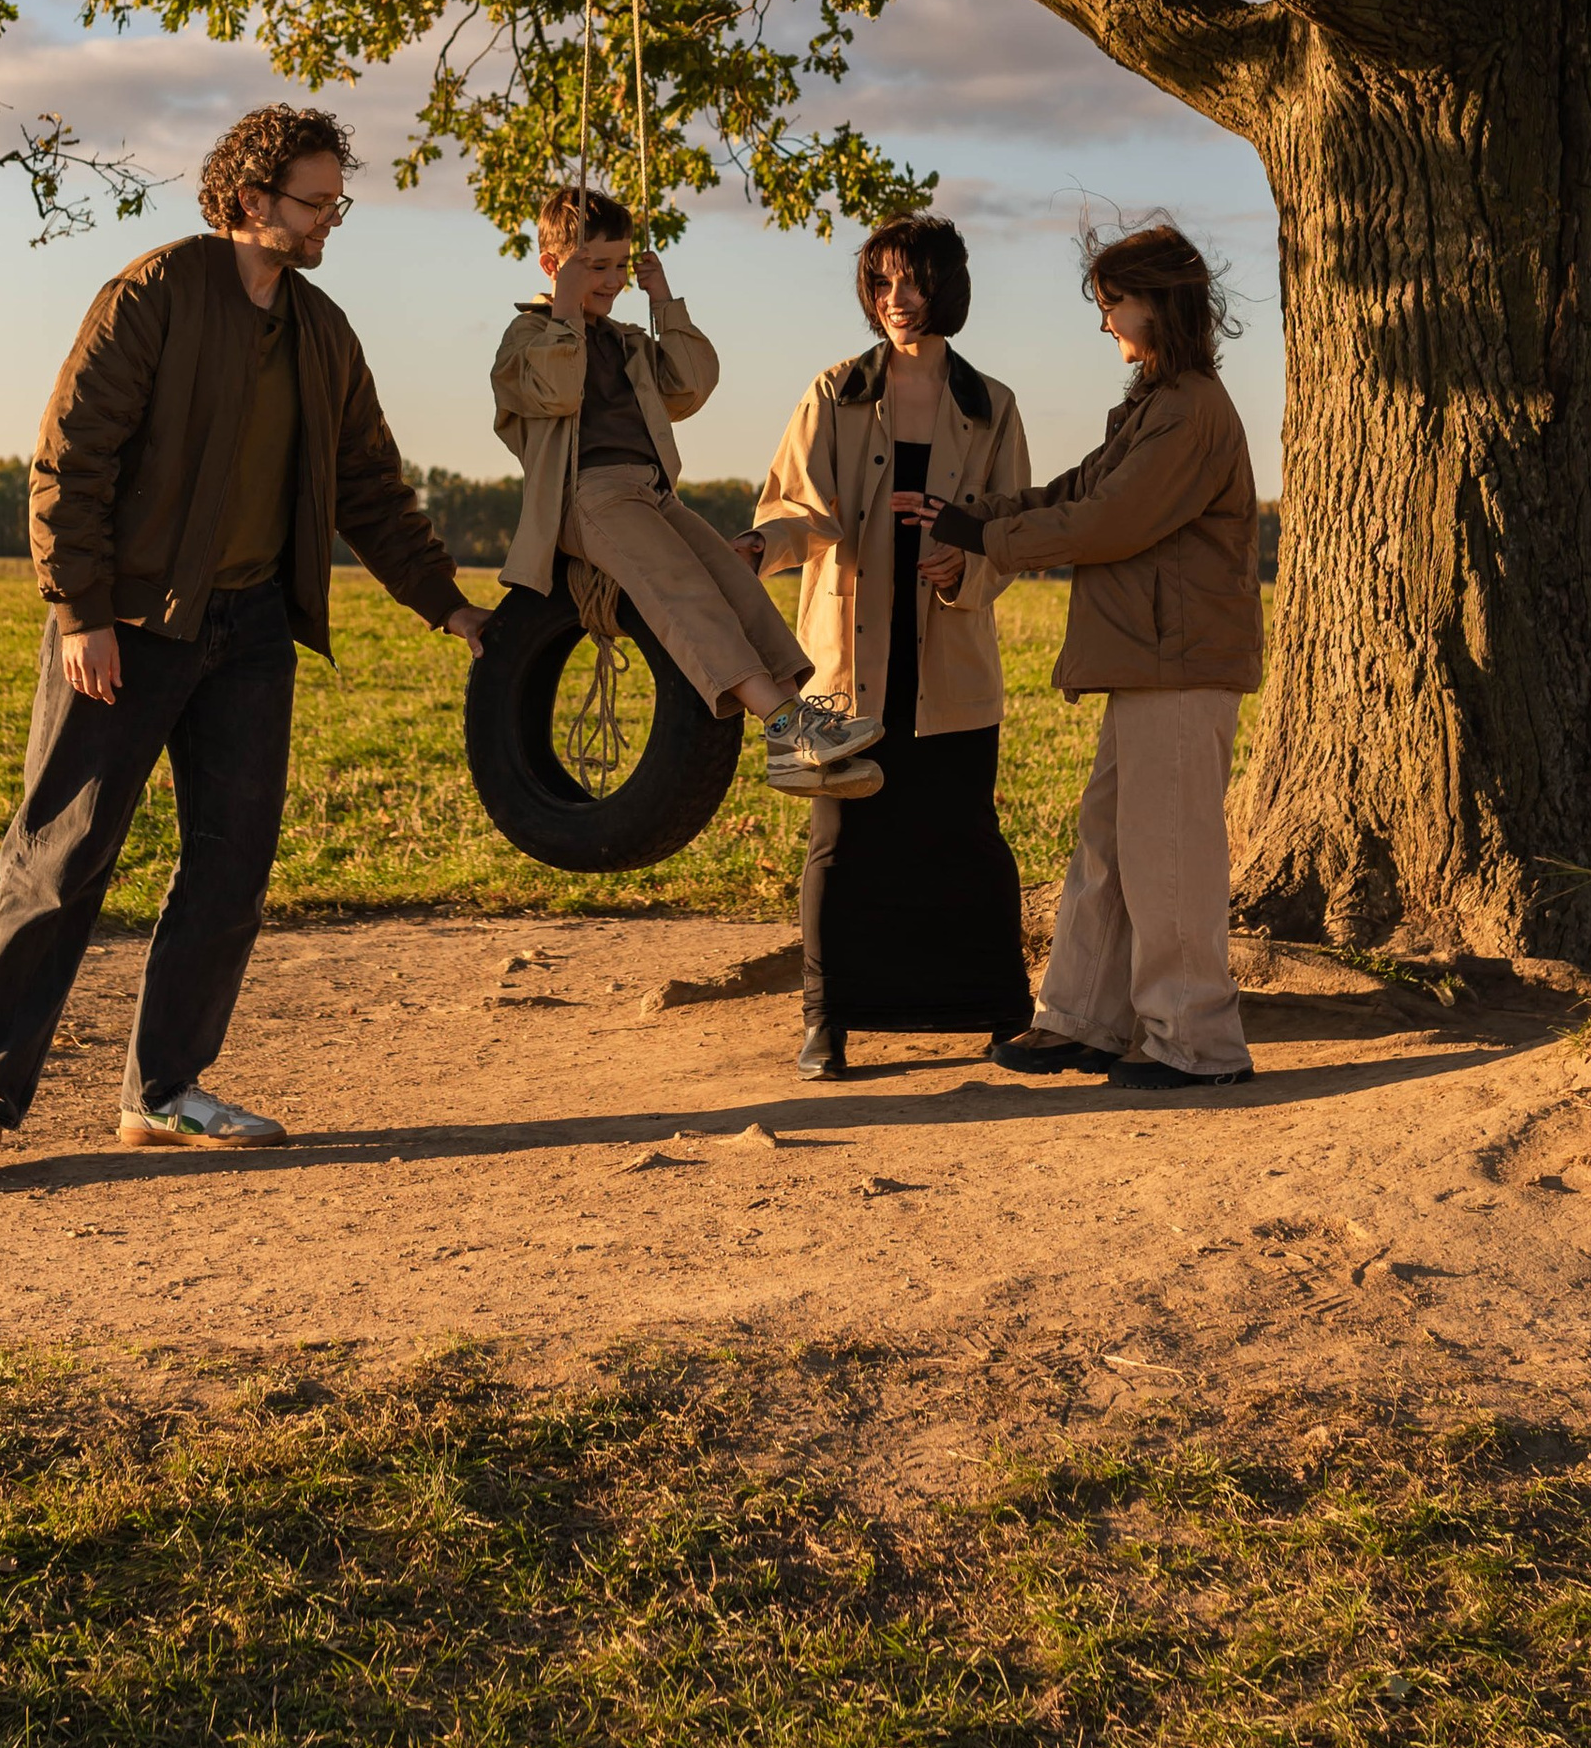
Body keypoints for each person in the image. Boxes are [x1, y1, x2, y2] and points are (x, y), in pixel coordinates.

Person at [0, 104, 491, 1194]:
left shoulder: (323, 331)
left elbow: (369, 486)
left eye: (338, 202)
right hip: (127, 625)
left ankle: (164, 1090)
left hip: (253, 630)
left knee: (231, 866)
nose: (330, 221)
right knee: (60, 859)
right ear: (250, 199)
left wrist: (445, 605)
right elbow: (71, 459)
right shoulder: (153, 295)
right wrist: (81, 613)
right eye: (314, 202)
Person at [909, 221, 1264, 1093]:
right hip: (1148, 661)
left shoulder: (1191, 412)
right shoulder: (1156, 404)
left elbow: (1110, 521)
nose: (1105, 322)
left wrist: (987, 538)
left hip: (1180, 665)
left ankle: (1197, 1044)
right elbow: (1077, 491)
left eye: (1114, 304)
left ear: (1159, 304)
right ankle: (1082, 1023)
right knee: (1109, 847)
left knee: (1167, 858)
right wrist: (972, 518)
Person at [751, 211, 1035, 1078]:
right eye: (881, 282)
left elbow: (1011, 532)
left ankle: (1002, 1014)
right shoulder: (833, 391)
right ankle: (826, 1021)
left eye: (912, 280)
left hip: (951, 663)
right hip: (844, 667)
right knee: (839, 842)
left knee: (967, 838)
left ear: (946, 286)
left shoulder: (992, 406)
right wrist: (760, 547)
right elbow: (796, 508)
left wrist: (961, 564)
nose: (896, 298)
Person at [490, 184, 882, 797]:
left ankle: (793, 740)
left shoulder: (625, 340)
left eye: (621, 265)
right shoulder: (527, 336)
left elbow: (691, 386)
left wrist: (664, 302)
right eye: (596, 267)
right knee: (683, 590)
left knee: (733, 582)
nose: (612, 280)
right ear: (552, 266)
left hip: (653, 492)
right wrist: (565, 310)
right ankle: (783, 721)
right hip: (587, 494)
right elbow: (556, 391)